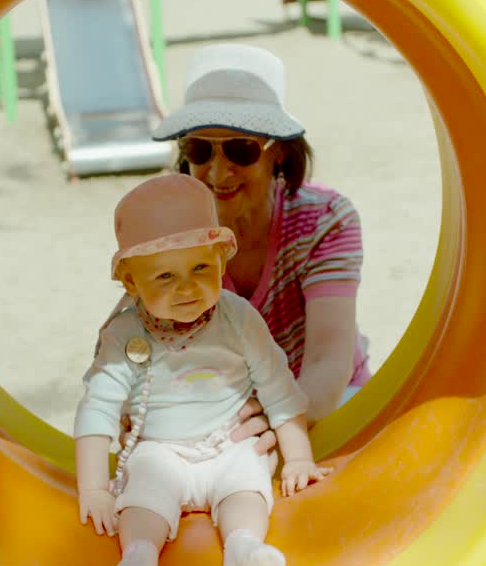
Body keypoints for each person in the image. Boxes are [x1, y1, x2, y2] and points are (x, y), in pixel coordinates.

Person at [75, 174, 331, 566]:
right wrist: (94, 488)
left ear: (221, 262)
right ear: (132, 283)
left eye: (200, 268)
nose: (187, 287)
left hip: (228, 442)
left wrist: (299, 458)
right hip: (161, 450)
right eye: (165, 276)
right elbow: (97, 408)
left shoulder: (238, 318)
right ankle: (139, 555)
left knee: (247, 484)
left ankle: (243, 548)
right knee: (143, 493)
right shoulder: (125, 334)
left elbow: (278, 388)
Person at [151, 43, 370, 454]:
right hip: (225, 412)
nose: (218, 172)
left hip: (323, 400)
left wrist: (280, 415)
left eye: (241, 149)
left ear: (279, 153)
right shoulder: (171, 234)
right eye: (200, 149)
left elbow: (327, 360)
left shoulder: (325, 220)